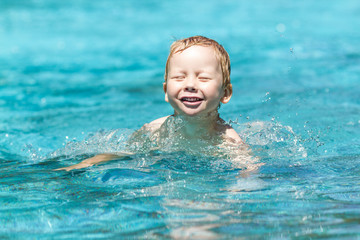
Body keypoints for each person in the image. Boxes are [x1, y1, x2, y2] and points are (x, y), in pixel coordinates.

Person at [56, 36, 253, 171]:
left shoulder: (228, 140)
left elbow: (249, 170)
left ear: (225, 93)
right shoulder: (154, 130)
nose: (190, 85)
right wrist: (85, 164)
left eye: (203, 78)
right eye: (179, 77)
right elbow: (122, 153)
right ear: (166, 91)